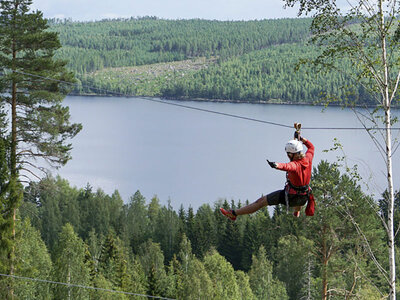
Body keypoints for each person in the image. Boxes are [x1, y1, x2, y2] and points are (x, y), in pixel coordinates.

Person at [220, 134, 315, 220]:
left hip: (292, 198)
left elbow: (287, 166)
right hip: (304, 198)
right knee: (300, 187)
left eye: (288, 154)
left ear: (291, 154)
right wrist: (302, 139)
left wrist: (276, 165)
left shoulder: (295, 165)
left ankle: (233, 213)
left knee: (260, 202)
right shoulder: (308, 158)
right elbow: (311, 147)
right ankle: (296, 211)